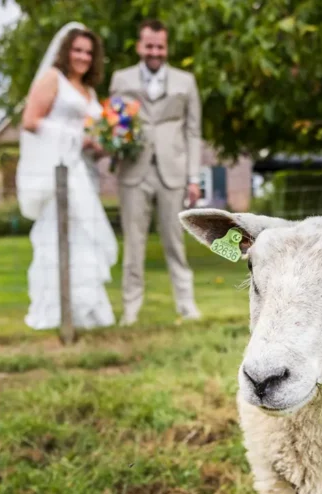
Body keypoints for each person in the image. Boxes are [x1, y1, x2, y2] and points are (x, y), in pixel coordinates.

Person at [16, 22, 118, 331]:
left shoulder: (89, 91)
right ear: (65, 50)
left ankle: (86, 311)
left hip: (83, 172)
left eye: (88, 52)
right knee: (60, 236)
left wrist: (104, 146)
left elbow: (92, 135)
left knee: (85, 236)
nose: (83, 57)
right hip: (59, 172)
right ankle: (55, 310)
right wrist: (76, 137)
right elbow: (30, 121)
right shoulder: (52, 80)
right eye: (77, 50)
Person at [109, 19, 203, 325]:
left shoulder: (185, 81)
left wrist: (193, 178)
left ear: (166, 47)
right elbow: (112, 126)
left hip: (172, 172)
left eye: (160, 46)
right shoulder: (120, 80)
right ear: (139, 46)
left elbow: (193, 132)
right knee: (133, 243)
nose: (154, 52)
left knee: (175, 241)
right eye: (149, 46)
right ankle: (131, 310)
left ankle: (187, 305)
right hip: (134, 171)